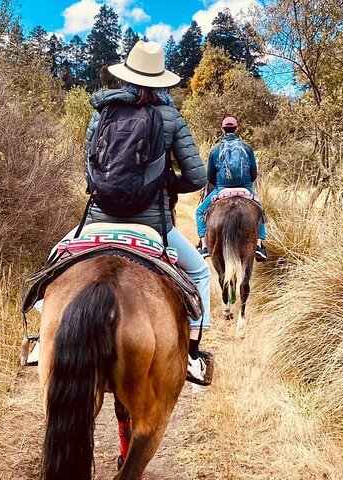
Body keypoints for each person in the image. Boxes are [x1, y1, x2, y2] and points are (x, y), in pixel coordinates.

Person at [78, 41, 211, 381]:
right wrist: (164, 183)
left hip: (98, 220)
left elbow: (89, 172)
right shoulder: (171, 117)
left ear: (126, 76)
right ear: (161, 81)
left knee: (53, 263)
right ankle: (193, 357)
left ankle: (38, 341)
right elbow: (197, 178)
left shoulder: (101, 112)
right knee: (199, 273)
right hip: (154, 225)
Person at [195, 116, 267, 261]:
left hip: (222, 188)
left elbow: (210, 175)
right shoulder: (247, 147)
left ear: (223, 129)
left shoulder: (215, 150)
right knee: (260, 211)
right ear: (236, 128)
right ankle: (259, 245)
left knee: (200, 211)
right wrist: (245, 184)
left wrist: (221, 185)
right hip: (245, 187)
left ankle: (203, 246)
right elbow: (253, 172)